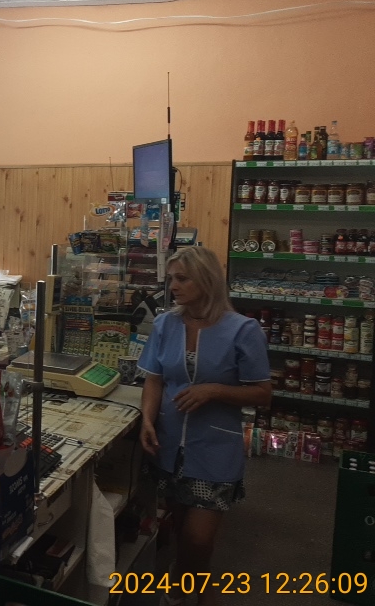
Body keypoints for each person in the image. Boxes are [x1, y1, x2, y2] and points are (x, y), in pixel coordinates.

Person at [138, 246, 270, 606]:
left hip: (215, 448)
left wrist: (213, 390)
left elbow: (263, 393)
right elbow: (154, 378)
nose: (173, 287)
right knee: (180, 525)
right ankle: (186, 584)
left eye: (182, 279)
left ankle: (193, 585)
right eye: (171, 279)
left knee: (199, 537)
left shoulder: (243, 330)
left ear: (207, 280)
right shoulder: (165, 324)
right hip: (169, 444)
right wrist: (147, 419)